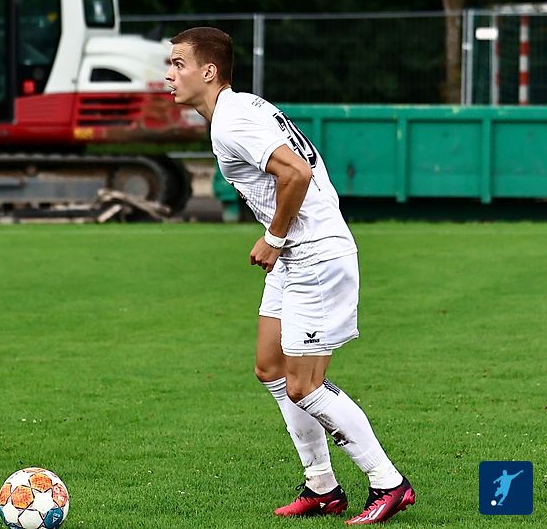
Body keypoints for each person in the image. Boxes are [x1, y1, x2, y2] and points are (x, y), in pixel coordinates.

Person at [165, 27, 415, 525]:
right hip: (297, 256)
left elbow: (296, 172)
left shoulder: (233, 119)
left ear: (209, 71)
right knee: (271, 368)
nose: (168, 75)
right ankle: (322, 487)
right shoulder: (239, 109)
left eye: (178, 64)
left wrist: (274, 238)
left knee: (304, 385)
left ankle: (389, 483)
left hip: (315, 254)